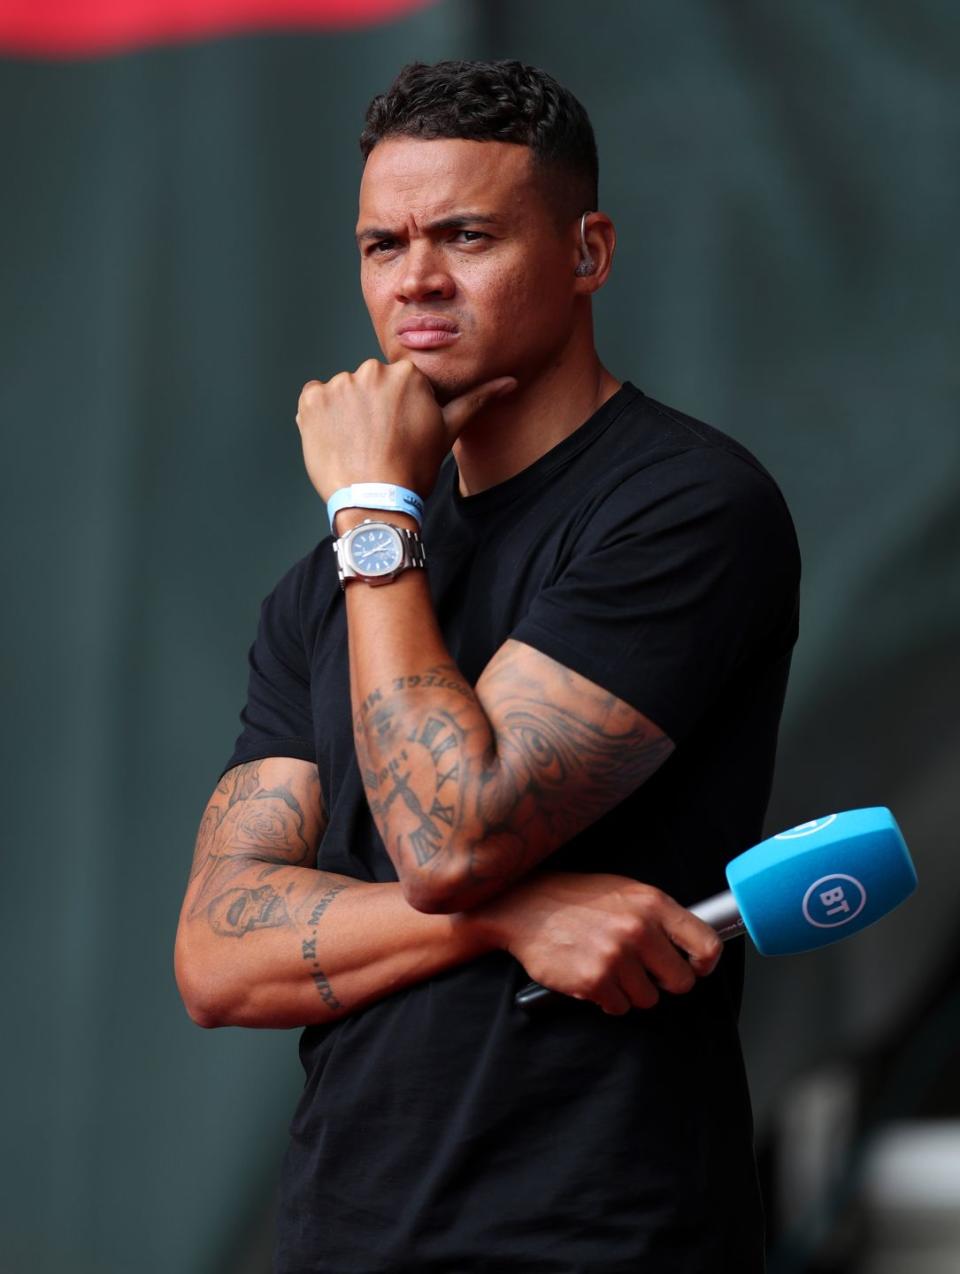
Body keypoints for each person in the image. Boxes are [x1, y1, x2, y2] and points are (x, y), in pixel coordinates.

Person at [175, 59, 800, 1273]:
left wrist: (370, 508)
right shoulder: (332, 588)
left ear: (588, 251)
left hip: (599, 1234)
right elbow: (215, 951)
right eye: (382, 244)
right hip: (346, 1234)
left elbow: (452, 835)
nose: (415, 278)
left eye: (466, 235)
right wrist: (509, 921)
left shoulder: (681, 507)